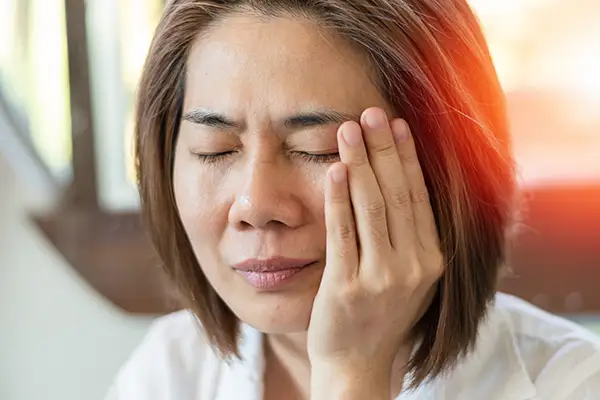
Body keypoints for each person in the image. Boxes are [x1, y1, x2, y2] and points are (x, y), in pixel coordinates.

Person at [106, 0, 600, 398]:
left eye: (315, 150)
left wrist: (351, 374)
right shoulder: (170, 373)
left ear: (444, 168)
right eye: (214, 151)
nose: (256, 205)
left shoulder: (570, 385)